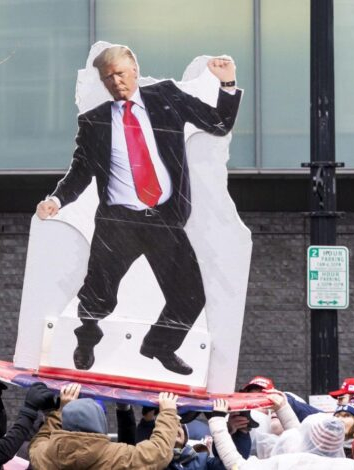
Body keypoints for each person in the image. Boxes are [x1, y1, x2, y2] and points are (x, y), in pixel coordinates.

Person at [35, 45, 243, 375]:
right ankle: (86, 340)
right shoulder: (94, 121)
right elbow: (81, 171)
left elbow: (218, 124)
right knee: (98, 295)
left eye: (119, 73)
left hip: (163, 218)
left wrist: (227, 84)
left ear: (134, 68)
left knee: (190, 294)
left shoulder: (166, 98)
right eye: (107, 78)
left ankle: (159, 346)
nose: (115, 81)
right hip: (118, 221)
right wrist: (57, 200)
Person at [28, 383, 180, 469]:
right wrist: (167, 412)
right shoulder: (116, 457)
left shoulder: (46, 456)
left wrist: (61, 410)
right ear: (100, 423)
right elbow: (159, 453)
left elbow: (38, 441)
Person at [209, 399, 354, 469]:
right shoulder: (348, 466)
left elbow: (237, 466)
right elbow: (303, 440)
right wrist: (283, 408)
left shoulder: (288, 464)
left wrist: (217, 422)